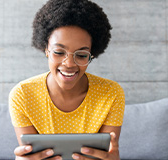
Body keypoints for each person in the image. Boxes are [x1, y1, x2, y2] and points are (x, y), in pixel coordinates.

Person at [9, 0, 125, 159]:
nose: (69, 64)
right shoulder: (22, 95)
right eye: (58, 52)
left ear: (92, 55)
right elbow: (32, 155)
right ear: (46, 50)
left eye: (82, 55)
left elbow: (107, 154)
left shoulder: (111, 93)